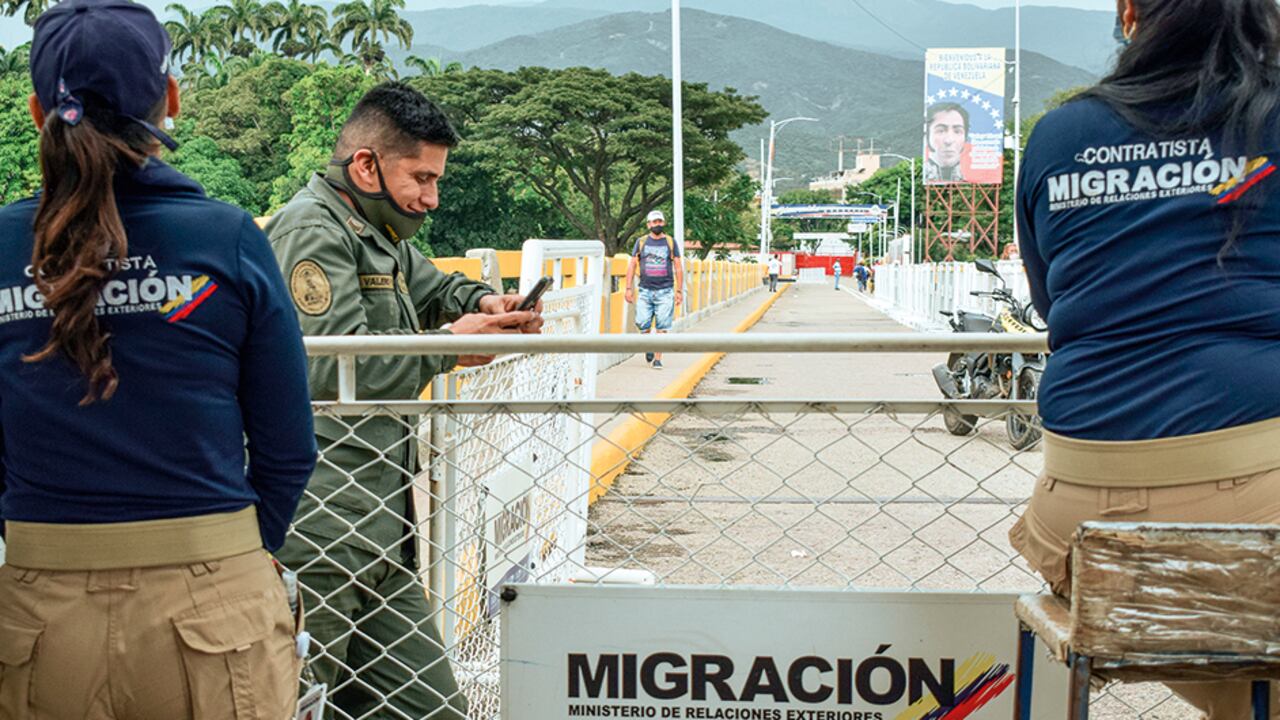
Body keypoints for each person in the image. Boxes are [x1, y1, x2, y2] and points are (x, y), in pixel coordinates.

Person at [0, 1, 317, 717]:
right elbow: (289, 448)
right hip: (213, 615)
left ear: (35, 110)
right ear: (169, 99)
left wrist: (43, 542)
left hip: (36, 615)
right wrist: (230, 554)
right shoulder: (228, 238)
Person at [1011, 0, 1280, 716]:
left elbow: (1051, 303)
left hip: (1077, 516)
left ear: (1129, 14)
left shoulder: (1060, 132)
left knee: (1240, 664)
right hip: (1261, 502)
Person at [267, 82, 542, 720]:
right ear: (366, 164)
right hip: (321, 530)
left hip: (384, 535)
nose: (431, 197)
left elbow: (435, 286)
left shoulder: (380, 233)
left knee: (431, 708)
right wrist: (447, 345)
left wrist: (483, 305)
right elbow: (330, 364)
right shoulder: (312, 231)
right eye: (421, 177)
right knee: (285, 704)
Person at [625, 210, 683, 370]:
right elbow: (632, 265)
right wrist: (628, 288)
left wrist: (679, 291)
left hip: (665, 290)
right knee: (643, 324)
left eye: (659, 222)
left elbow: (678, 266)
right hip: (645, 290)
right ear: (648, 224)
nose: (657, 224)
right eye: (654, 222)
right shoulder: (641, 242)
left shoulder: (670, 242)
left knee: (662, 327)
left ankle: (658, 359)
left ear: (663, 223)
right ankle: (648, 345)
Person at [924, 102, 969, 183]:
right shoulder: (918, 172)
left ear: (965, 137)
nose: (949, 140)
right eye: (941, 131)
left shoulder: (976, 176)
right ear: (927, 135)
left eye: (957, 131)